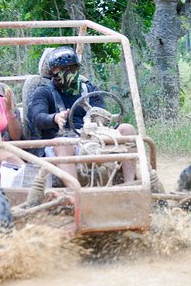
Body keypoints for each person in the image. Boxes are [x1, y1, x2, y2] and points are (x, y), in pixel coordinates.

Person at [27, 46, 136, 184]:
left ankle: (130, 184)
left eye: (71, 68)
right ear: (53, 71)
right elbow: (37, 117)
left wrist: (99, 119)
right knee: (63, 144)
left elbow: (101, 112)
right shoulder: (43, 92)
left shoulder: (88, 89)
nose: (68, 73)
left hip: (93, 136)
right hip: (63, 141)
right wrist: (54, 118)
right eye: (62, 69)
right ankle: (76, 192)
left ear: (77, 68)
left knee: (127, 129)